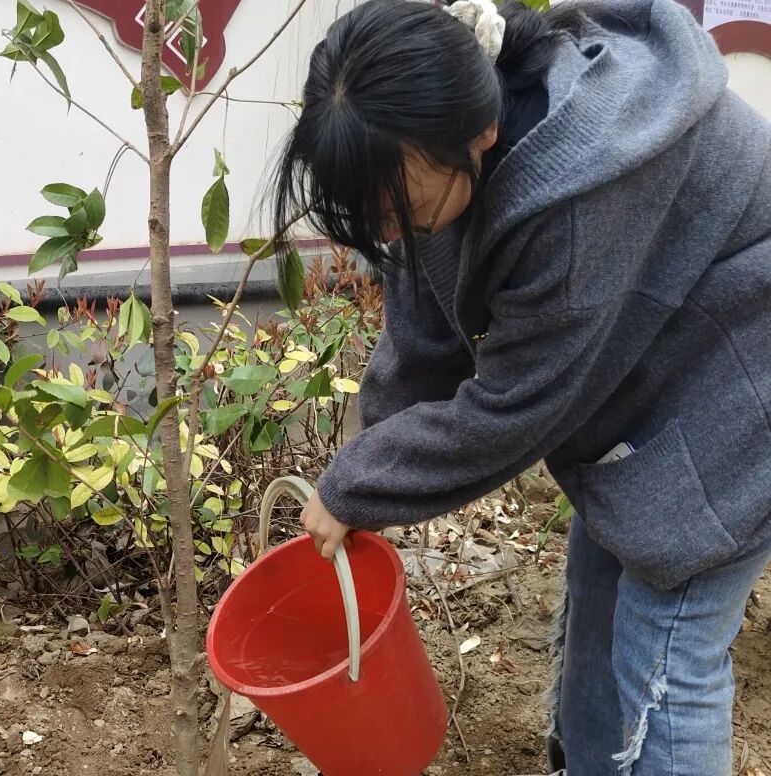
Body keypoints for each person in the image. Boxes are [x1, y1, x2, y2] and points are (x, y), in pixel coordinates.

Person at [270, 0, 771, 773]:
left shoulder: (577, 196)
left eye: (406, 210)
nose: (391, 231)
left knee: (666, 653)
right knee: (600, 592)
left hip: (742, 391)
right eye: (376, 215)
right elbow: (423, 333)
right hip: (651, 365)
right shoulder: (436, 150)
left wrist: (358, 485)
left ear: (481, 133)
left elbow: (513, 409)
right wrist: (372, 468)